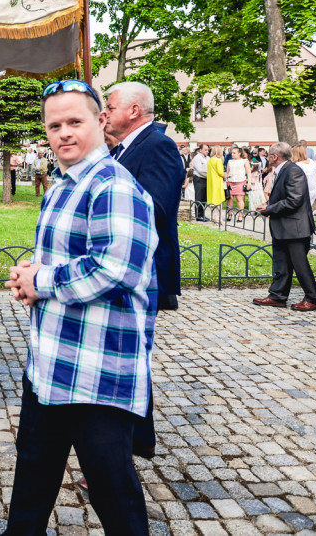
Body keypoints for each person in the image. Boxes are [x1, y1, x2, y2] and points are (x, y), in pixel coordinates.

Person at [4, 79, 157, 536]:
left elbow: (116, 270)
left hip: (97, 370)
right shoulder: (62, 186)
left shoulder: (113, 185)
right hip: (50, 365)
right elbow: (69, 259)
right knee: (32, 479)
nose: (64, 133)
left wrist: (41, 280)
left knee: (113, 490)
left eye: (75, 121)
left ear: (101, 120)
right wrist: (32, 273)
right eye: (54, 125)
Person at [102, 81, 183, 466]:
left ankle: (125, 448)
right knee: (123, 356)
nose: (104, 112)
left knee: (127, 359)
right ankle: (139, 439)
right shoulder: (120, 149)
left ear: (134, 111)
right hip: (121, 267)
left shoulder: (157, 146)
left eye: (110, 105)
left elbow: (156, 208)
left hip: (142, 271)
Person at [252, 142, 316, 311]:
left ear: (275, 157)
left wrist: (269, 208)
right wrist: (268, 204)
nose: (268, 158)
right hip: (284, 226)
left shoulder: (293, 171)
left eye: (269, 155)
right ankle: (278, 296)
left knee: (299, 265)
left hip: (295, 228)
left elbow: (294, 200)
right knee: (281, 263)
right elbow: (283, 196)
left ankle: (313, 298)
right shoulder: (284, 170)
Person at [225, 146, 250, 219]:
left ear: (239, 153)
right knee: (229, 199)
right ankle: (229, 214)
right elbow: (227, 172)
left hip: (240, 181)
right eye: (231, 153)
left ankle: (240, 215)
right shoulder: (230, 161)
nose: (232, 154)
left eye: (234, 153)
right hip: (230, 181)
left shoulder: (244, 161)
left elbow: (249, 173)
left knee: (239, 199)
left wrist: (249, 183)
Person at [191, 144, 209, 220]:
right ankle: (198, 216)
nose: (207, 151)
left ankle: (202, 214)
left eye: (208, 150)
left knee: (204, 198)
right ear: (200, 150)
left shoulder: (208, 158)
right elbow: (200, 170)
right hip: (199, 179)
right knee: (199, 197)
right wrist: (210, 176)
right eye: (205, 150)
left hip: (206, 179)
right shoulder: (197, 158)